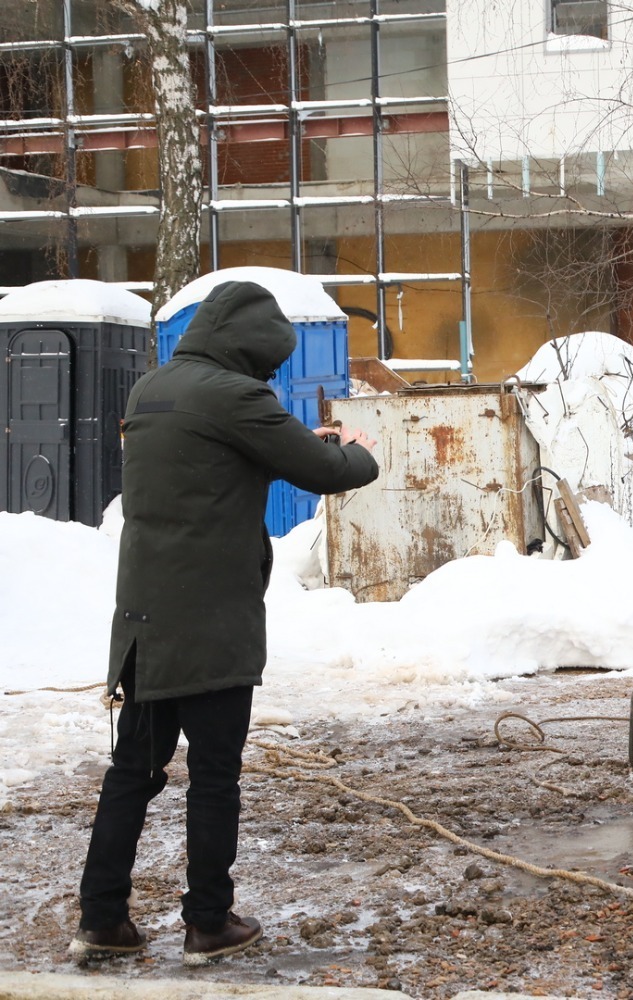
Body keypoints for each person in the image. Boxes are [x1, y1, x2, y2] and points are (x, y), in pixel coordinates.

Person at [69, 281, 381, 964]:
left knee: (132, 771)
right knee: (214, 775)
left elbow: (208, 467)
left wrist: (279, 442)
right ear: (251, 351)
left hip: (144, 621)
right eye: (267, 363)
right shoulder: (239, 398)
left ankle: (101, 917)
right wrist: (357, 447)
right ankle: (208, 921)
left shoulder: (150, 390)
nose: (267, 375)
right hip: (210, 623)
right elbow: (327, 469)